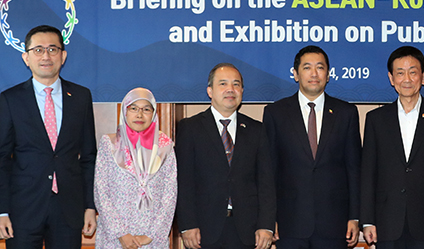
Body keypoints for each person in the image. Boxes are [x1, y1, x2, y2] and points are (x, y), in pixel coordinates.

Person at [0, 25, 97, 248]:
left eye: (53, 49)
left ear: (63, 56)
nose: (46, 56)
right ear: (26, 57)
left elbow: (89, 156)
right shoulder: (9, 100)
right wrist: (1, 210)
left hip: (69, 209)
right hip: (22, 210)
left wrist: (90, 206)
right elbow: (2, 159)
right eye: (38, 50)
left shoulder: (81, 97)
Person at [262, 46, 361, 249]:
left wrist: (355, 216)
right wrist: (268, 219)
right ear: (296, 74)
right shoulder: (276, 113)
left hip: (334, 224)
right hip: (289, 224)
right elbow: (268, 171)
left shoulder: (346, 113)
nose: (314, 74)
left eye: (320, 67)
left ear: (328, 74)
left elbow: (354, 169)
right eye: (307, 67)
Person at [360, 46, 424, 249]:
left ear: (423, 76)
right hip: (386, 221)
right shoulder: (376, 119)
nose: (407, 79)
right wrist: (368, 220)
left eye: (413, 72)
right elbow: (368, 172)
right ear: (391, 78)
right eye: (400, 73)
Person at [175, 63, 276, 249]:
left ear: (242, 91)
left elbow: (266, 182)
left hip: (247, 231)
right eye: (223, 84)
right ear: (210, 91)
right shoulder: (190, 128)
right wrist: (187, 224)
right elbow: (184, 181)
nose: (231, 89)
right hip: (203, 230)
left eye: (236, 84)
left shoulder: (257, 130)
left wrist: (266, 226)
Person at [94, 88, 177, 248]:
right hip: (115, 238)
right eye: (133, 108)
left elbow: (170, 195)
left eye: (146, 109)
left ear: (154, 114)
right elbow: (101, 192)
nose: (140, 115)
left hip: (152, 239)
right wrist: (121, 233)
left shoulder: (165, 146)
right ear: (124, 111)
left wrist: (151, 236)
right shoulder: (109, 144)